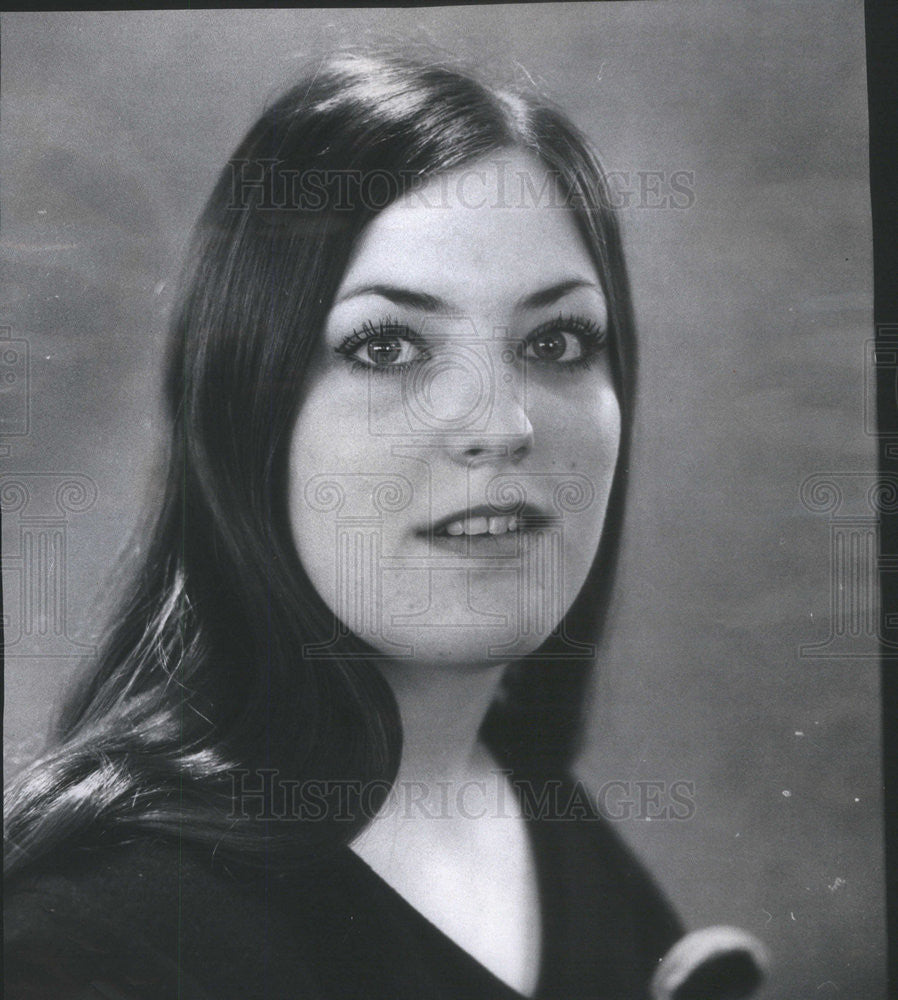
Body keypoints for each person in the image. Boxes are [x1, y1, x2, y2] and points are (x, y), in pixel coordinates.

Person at [3, 51, 764, 1000]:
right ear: (248, 416)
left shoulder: (540, 813)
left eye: (556, 342)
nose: (501, 424)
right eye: (389, 346)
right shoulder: (84, 943)